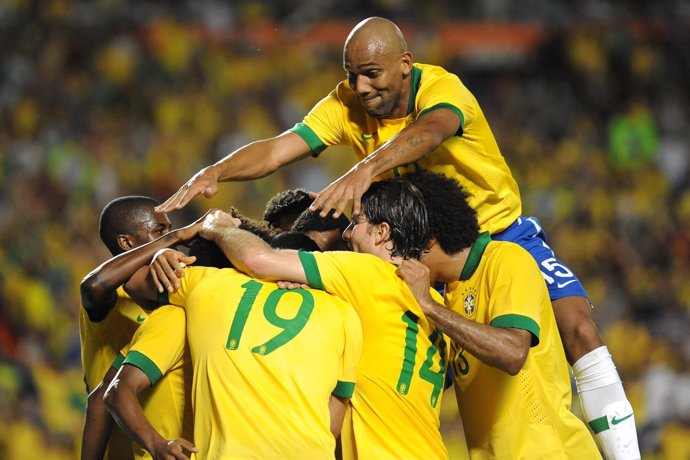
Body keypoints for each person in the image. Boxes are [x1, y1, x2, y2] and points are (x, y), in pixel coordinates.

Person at [155, 16, 639, 458]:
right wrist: (216, 171)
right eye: (351, 75)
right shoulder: (344, 105)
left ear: (404, 65)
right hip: (424, 256)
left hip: (499, 234)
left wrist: (365, 168)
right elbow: (280, 149)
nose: (360, 88)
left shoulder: (443, 88)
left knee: (577, 330)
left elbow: (431, 132)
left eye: (372, 74)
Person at [193, 178, 450, 459]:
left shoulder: (367, 272)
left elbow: (258, 260)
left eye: (357, 221)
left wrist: (217, 227)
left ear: (382, 232)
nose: (348, 234)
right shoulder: (435, 304)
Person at [395, 171, 601, 458]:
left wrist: (431, 309)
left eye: (400, 238)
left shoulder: (507, 259)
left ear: (428, 240)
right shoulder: (447, 296)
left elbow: (513, 352)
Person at [122, 232, 362, 459]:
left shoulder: (210, 283)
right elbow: (332, 424)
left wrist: (163, 250)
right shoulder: (346, 314)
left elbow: (132, 282)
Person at [79, 196, 197, 460]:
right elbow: (92, 286)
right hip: (117, 447)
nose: (174, 237)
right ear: (126, 243)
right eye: (159, 231)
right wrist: (171, 239)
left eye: (169, 229)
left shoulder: (170, 293)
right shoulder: (113, 295)